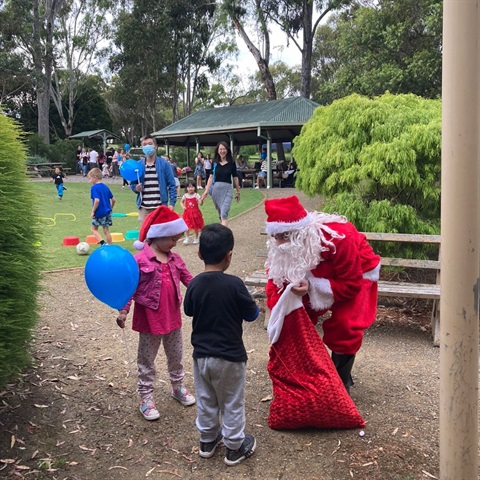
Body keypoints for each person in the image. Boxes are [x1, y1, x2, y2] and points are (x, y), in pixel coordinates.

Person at [264, 195, 381, 393]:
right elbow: (275, 286)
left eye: (284, 237)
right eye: (276, 237)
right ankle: (308, 373)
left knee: (346, 324)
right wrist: (280, 318)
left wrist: (311, 287)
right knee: (295, 318)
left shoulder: (338, 237)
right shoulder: (282, 249)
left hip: (358, 272)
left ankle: (341, 381)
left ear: (300, 232)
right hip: (316, 274)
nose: (278, 243)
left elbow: (351, 284)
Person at [184, 223, 259, 466]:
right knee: (231, 402)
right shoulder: (235, 284)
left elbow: (188, 310)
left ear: (199, 254)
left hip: (201, 357)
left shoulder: (194, 284)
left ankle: (207, 440)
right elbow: (252, 315)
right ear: (229, 256)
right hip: (230, 357)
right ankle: (235, 446)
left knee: (206, 399)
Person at [116, 206, 196, 421]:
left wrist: (207, 291)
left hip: (173, 319)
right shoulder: (139, 261)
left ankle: (177, 386)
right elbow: (129, 289)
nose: (175, 242)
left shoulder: (175, 259)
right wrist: (124, 312)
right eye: (172, 238)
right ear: (157, 235)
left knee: (176, 357)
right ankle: (146, 398)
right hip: (150, 322)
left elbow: (191, 281)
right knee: (146, 361)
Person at [129, 135, 177, 225]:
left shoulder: (164, 164)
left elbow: (172, 185)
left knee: (160, 235)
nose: (147, 146)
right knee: (145, 236)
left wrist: (172, 203)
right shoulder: (138, 165)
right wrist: (136, 188)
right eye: (144, 144)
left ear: (155, 146)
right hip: (144, 208)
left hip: (160, 207)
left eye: (150, 144)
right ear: (142, 147)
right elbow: (132, 184)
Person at [200, 141, 240, 226]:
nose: (222, 151)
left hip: (227, 189)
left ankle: (224, 237)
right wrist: (206, 191)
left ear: (227, 150)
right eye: (220, 149)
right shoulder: (215, 162)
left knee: (224, 213)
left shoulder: (231, 163)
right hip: (216, 190)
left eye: (224, 149)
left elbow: (235, 177)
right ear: (218, 151)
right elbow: (210, 177)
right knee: (220, 214)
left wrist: (238, 191)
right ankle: (221, 233)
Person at [87, 168, 115, 245]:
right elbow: (113, 199)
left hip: (99, 212)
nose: (90, 181)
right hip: (107, 212)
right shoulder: (105, 187)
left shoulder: (94, 188)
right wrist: (111, 208)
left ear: (95, 177)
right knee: (106, 230)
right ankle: (110, 246)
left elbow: (97, 200)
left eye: (90, 178)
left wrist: (93, 211)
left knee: (93, 229)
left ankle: (103, 243)